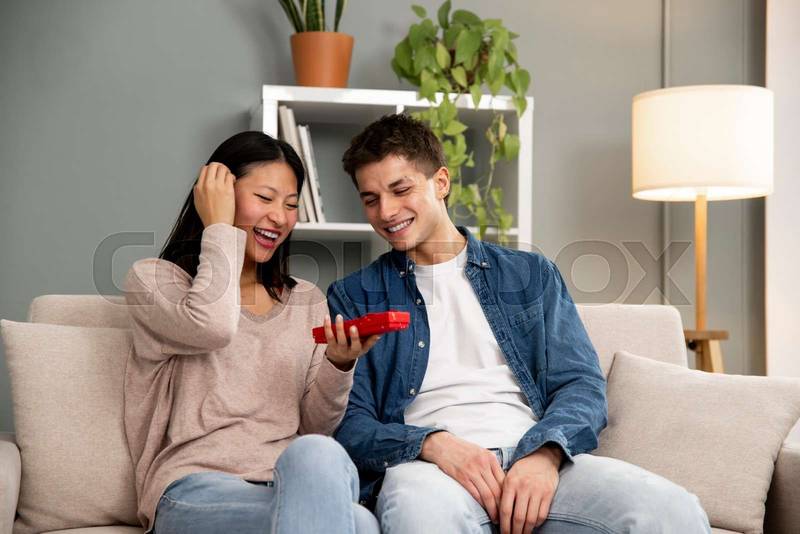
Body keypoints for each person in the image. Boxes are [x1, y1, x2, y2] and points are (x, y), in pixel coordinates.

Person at [327, 114, 712, 534]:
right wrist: (434, 444)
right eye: (370, 198)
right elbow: (350, 423)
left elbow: (581, 384)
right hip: (429, 471)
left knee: (673, 510)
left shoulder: (529, 274)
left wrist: (544, 454)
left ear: (440, 182)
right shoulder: (354, 296)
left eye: (400, 189)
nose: (386, 211)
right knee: (419, 516)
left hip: (533, 457)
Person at [123, 131, 380, 534]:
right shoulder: (156, 283)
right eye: (264, 198)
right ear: (216, 195)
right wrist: (220, 228)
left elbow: (315, 428)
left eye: (291, 205)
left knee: (318, 455)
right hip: (192, 490)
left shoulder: (307, 301)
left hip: (284, 483)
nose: (280, 217)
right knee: (358, 524)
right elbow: (214, 326)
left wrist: (338, 362)